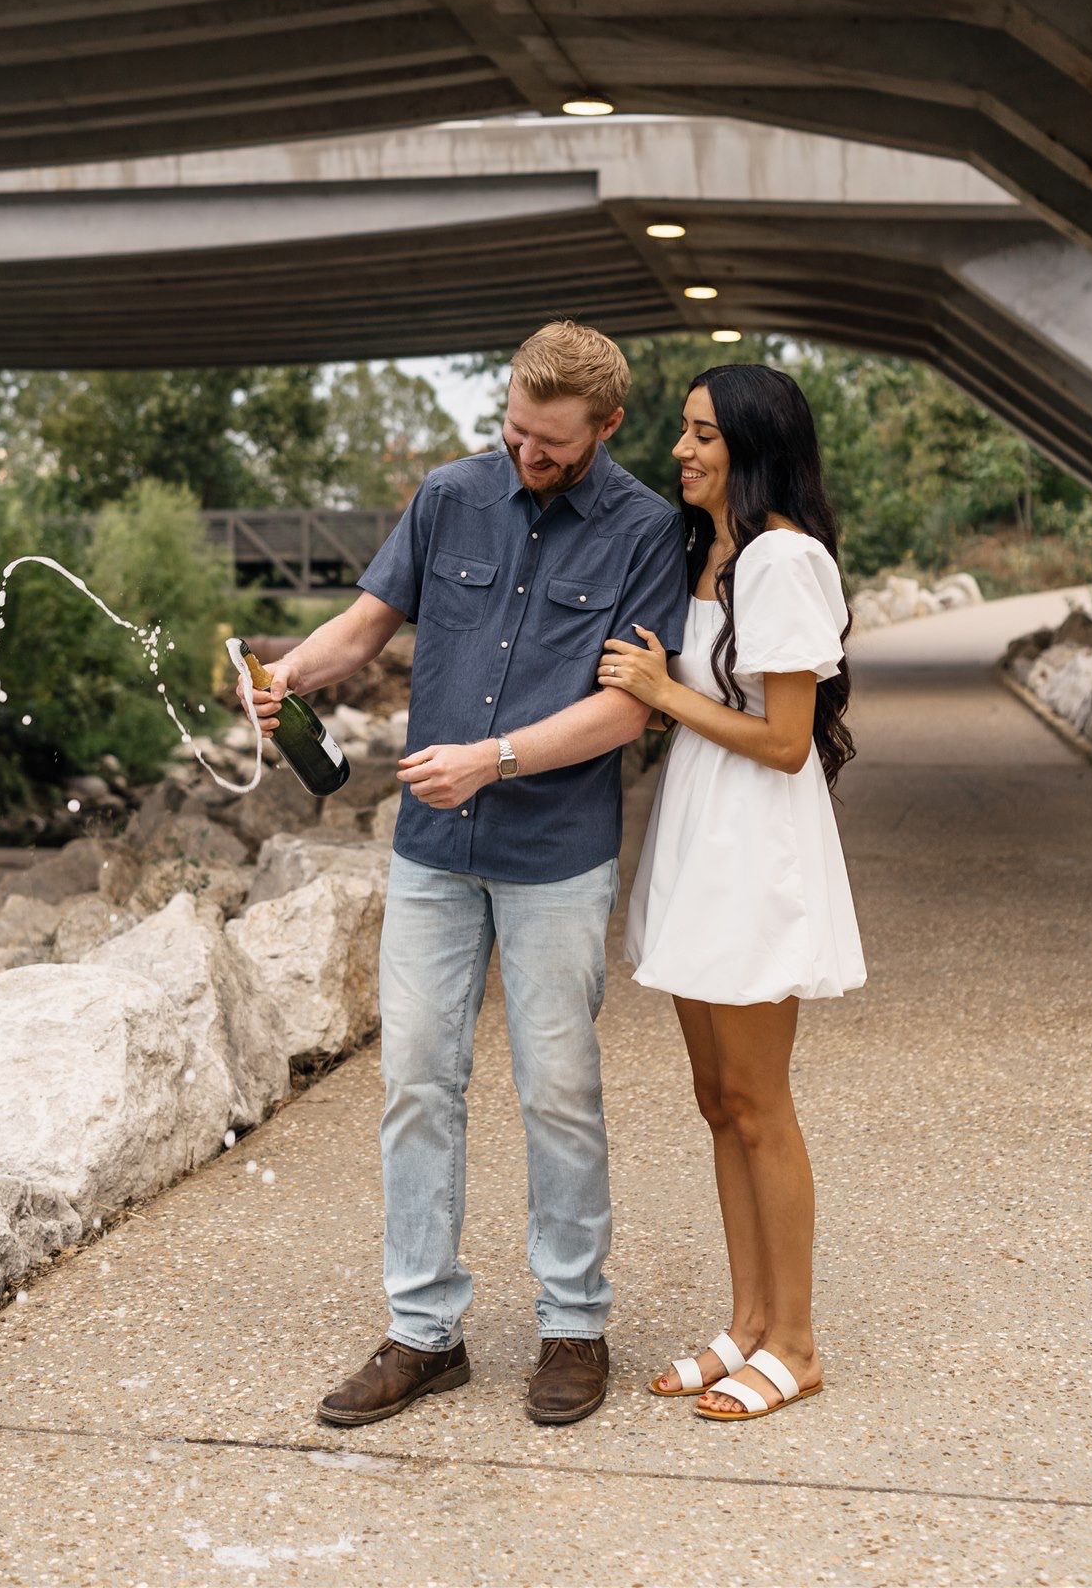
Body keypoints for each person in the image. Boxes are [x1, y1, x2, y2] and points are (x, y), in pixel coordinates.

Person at [241, 322, 688, 1428]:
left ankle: (574, 1324)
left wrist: (495, 758)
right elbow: (367, 626)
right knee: (415, 1084)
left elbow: (629, 709)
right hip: (433, 854)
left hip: (556, 855)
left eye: (552, 443)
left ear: (606, 426)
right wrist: (287, 673)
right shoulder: (449, 495)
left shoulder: (646, 529)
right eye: (514, 430)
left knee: (559, 1092)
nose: (527, 454)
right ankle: (423, 1333)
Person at [596, 361, 864, 1422]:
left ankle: (795, 1341)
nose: (681, 449)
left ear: (754, 447)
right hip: (700, 834)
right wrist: (664, 691)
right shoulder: (708, 553)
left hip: (756, 847)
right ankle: (747, 1319)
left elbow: (789, 741)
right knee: (717, 1100)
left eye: (704, 434)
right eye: (683, 429)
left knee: (759, 1103)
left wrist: (663, 692)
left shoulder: (783, 558)